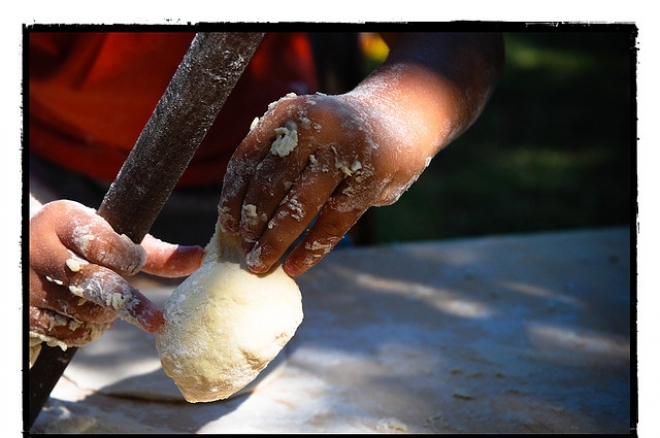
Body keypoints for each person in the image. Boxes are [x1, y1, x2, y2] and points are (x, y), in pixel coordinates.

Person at [28, 30, 505, 356]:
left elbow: (464, 33)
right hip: (47, 175)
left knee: (344, 335)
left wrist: (394, 117)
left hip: (286, 177)